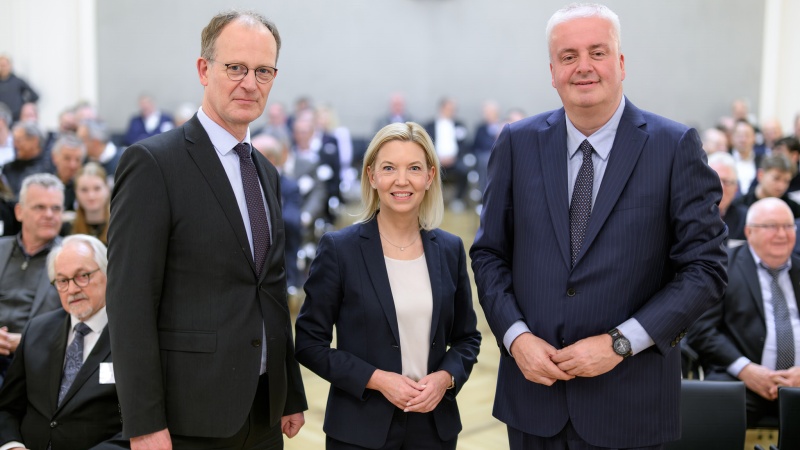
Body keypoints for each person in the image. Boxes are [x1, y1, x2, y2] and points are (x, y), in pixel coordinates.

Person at [469, 4, 728, 449]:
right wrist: (516, 338)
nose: (583, 67)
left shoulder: (674, 147)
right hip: (535, 401)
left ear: (621, 63)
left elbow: (705, 269)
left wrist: (620, 343)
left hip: (631, 404)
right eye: (568, 56)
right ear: (552, 71)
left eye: (598, 52)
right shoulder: (516, 144)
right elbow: (490, 254)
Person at [106, 10, 307, 449]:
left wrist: (289, 390)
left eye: (263, 71)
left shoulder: (266, 173)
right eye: (235, 67)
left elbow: (271, 288)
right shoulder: (153, 164)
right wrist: (143, 422)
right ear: (204, 69)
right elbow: (129, 301)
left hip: (263, 412)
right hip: (187, 418)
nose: (249, 83)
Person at [295, 122, 481, 449]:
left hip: (434, 429)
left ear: (429, 175)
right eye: (389, 168)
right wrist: (377, 380)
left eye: (413, 168)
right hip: (358, 431)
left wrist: (445, 378)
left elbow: (467, 338)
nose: (401, 180)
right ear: (372, 176)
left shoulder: (449, 249)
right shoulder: (340, 249)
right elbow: (309, 343)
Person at [0, 234, 129, 449]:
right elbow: (7, 408)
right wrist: (13, 446)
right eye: (62, 281)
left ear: (108, 273)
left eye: (83, 276)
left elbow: (141, 426)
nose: (72, 289)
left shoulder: (131, 336)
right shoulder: (36, 331)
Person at [688, 198, 800, 427]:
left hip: (797, 382)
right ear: (749, 232)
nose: (782, 234)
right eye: (771, 226)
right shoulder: (722, 268)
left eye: (788, 226)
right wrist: (746, 370)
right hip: (741, 379)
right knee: (708, 413)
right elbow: (701, 331)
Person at [0, 173, 64, 385]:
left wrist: (29, 342)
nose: (49, 215)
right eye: (39, 207)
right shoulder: (1, 249)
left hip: (42, 364)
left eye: (56, 208)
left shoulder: (72, 258)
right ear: (19, 212)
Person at [730, 153, 800, 218]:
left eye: (786, 181)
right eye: (776, 178)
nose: (781, 186)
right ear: (761, 175)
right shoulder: (739, 206)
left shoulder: (793, 208)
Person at [4, 122, 54, 197]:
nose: (15, 145)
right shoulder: (9, 168)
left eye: (19, 141)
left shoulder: (47, 168)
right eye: (13, 140)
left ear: (34, 140)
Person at [708, 152, 747, 243]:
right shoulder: (686, 215)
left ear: (736, 189)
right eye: (715, 180)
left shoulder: (746, 218)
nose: (721, 187)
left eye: (727, 182)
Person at [68, 163, 111, 244]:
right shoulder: (68, 227)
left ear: (107, 189)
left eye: (97, 188)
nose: (91, 196)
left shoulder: (120, 226)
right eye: (84, 190)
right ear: (75, 192)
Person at [77, 120, 121, 185]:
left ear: (95, 142)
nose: (78, 144)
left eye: (82, 140)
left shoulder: (122, 160)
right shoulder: (82, 160)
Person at [50, 133, 86, 212]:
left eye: (78, 159)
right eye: (67, 158)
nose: (72, 165)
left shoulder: (88, 188)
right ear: (54, 157)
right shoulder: (46, 187)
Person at [0, 56, 39, 123]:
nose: (3, 68)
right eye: (1, 65)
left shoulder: (18, 81)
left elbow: (34, 95)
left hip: (16, 119)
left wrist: (22, 104)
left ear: (10, 66)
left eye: (4, 65)